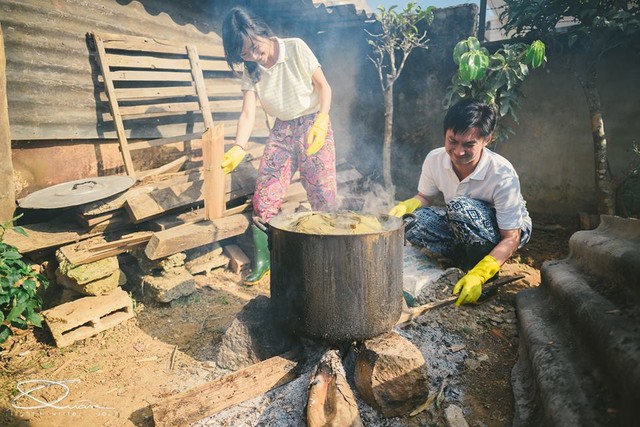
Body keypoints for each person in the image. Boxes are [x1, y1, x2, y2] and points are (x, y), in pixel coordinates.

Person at [220, 7, 337, 285]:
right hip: (282, 130)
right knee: (264, 198)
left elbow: (324, 87)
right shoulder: (252, 70)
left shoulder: (295, 47)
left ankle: (333, 256)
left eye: (254, 48)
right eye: (244, 54)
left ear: (262, 32)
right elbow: (248, 113)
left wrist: (321, 120)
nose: (253, 56)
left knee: (323, 195)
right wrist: (238, 146)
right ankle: (266, 260)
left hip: (312, 126)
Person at [389, 98, 532, 306]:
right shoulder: (434, 159)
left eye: (469, 144)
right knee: (412, 222)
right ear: (445, 133)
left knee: (459, 207)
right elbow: (425, 197)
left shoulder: (502, 173)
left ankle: (480, 273)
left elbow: (511, 237)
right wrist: (407, 206)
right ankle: (462, 258)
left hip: (507, 229)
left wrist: (481, 274)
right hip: (462, 220)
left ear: (487, 140)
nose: (458, 151)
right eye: (452, 141)